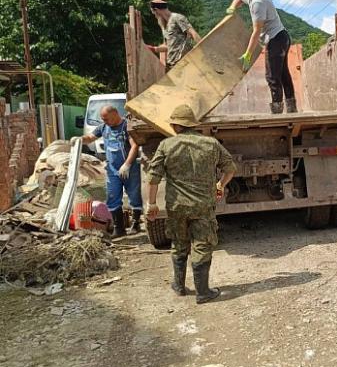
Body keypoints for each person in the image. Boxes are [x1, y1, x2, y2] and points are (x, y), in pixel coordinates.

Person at [146, 104, 236, 304]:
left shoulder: (166, 145)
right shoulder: (211, 144)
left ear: (176, 126)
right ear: (192, 125)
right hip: (203, 206)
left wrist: (151, 204)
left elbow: (153, 178)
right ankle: (203, 292)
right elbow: (230, 168)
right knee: (202, 245)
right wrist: (220, 185)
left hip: (177, 206)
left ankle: (179, 286)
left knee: (178, 243)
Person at [226, 0, 296, 114]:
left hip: (276, 39)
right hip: (283, 37)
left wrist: (248, 54)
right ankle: (292, 108)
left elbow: (256, 31)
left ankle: (277, 111)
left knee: (272, 76)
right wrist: (232, 7)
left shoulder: (258, 2)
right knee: (283, 74)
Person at [74, 105, 142, 237]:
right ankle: (119, 229)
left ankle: (136, 223)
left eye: (106, 119)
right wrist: (80, 140)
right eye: (103, 119)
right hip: (112, 169)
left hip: (129, 168)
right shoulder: (103, 127)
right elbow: (90, 137)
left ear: (115, 115)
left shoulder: (126, 127)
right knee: (112, 197)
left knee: (134, 196)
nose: (104, 121)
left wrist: (127, 164)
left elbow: (135, 146)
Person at [145, 0, 202, 70]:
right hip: (173, 65)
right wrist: (154, 49)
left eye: (154, 13)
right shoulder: (163, 25)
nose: (155, 16)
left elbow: (193, 33)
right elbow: (168, 46)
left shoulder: (177, 18)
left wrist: (204, 51)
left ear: (157, 10)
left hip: (185, 61)